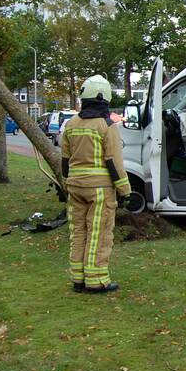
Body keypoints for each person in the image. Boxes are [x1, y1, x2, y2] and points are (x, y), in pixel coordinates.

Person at [61, 75, 130, 294]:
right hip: (100, 190)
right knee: (98, 234)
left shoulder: (71, 124)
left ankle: (78, 279)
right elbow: (114, 162)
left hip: (75, 187)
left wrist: (67, 183)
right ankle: (96, 280)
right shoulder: (106, 126)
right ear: (105, 98)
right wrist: (125, 191)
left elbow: (64, 160)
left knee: (78, 232)